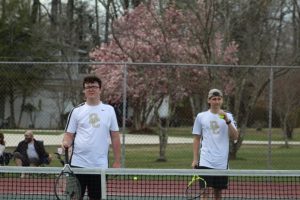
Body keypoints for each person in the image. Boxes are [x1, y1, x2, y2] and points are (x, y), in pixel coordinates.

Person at [62, 75, 121, 200]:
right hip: (77, 165)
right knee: (74, 198)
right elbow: (69, 135)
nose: (91, 89)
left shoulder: (109, 110)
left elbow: (115, 137)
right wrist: (66, 142)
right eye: (88, 87)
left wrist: (117, 161)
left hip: (100, 166)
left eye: (94, 86)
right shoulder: (76, 111)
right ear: (84, 90)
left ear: (100, 89)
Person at [192, 89, 239, 200]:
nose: (216, 101)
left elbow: (235, 136)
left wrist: (227, 120)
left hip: (221, 162)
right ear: (209, 101)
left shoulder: (229, 116)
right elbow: (196, 138)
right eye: (214, 99)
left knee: (218, 193)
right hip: (205, 160)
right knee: (205, 191)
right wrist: (195, 159)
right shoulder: (201, 116)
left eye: (219, 99)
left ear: (222, 100)